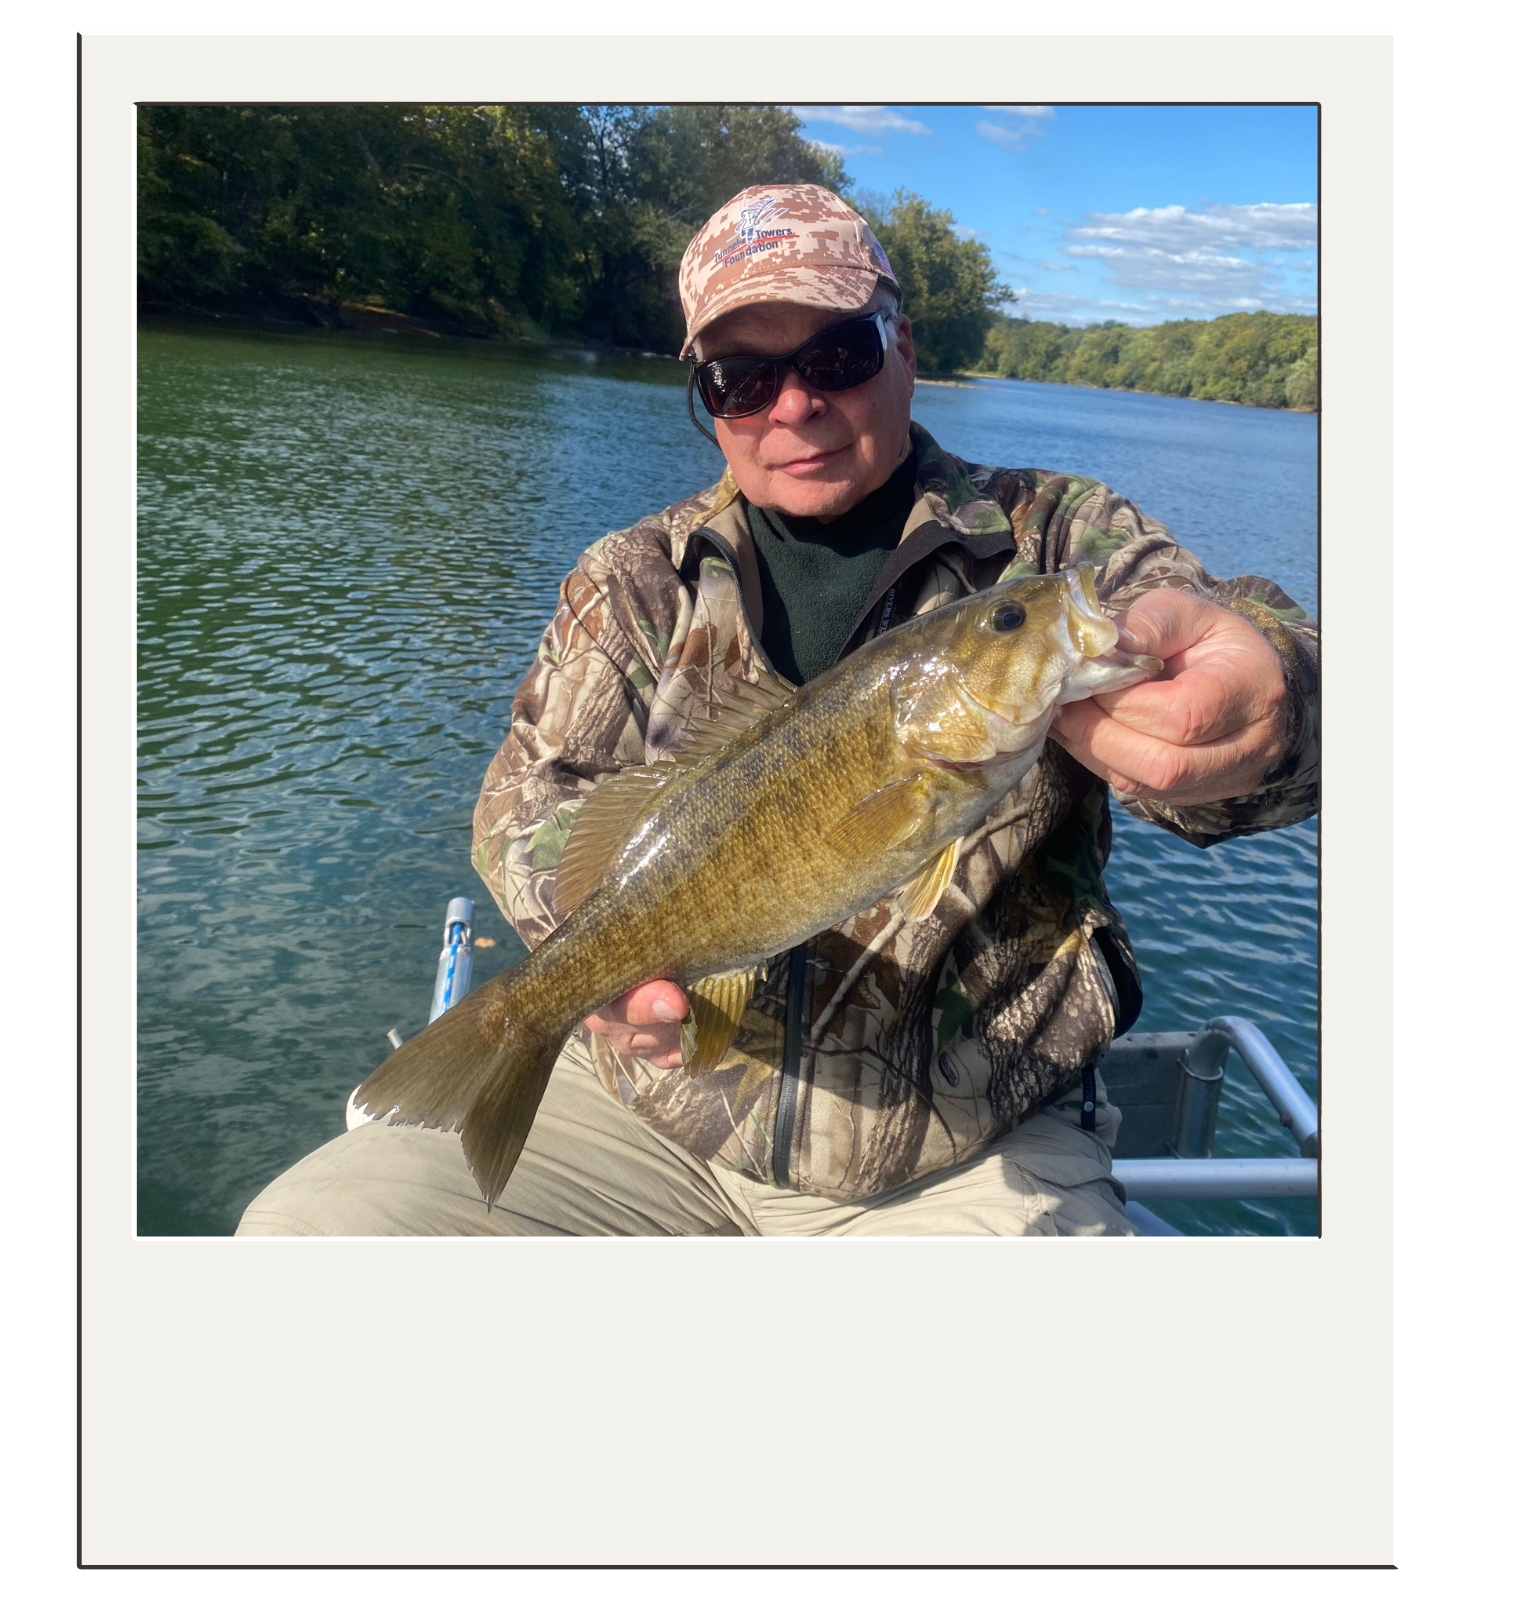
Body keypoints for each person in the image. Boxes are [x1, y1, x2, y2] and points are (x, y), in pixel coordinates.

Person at [237, 185, 1318, 1238]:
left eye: (833, 356)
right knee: (312, 1233)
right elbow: (526, 807)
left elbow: (1243, 662)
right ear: (706, 402)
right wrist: (602, 971)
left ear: (901, 345)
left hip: (960, 1151)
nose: (792, 405)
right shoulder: (630, 578)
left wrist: (1274, 695)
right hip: (643, 1110)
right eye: (739, 379)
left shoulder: (1050, 550)